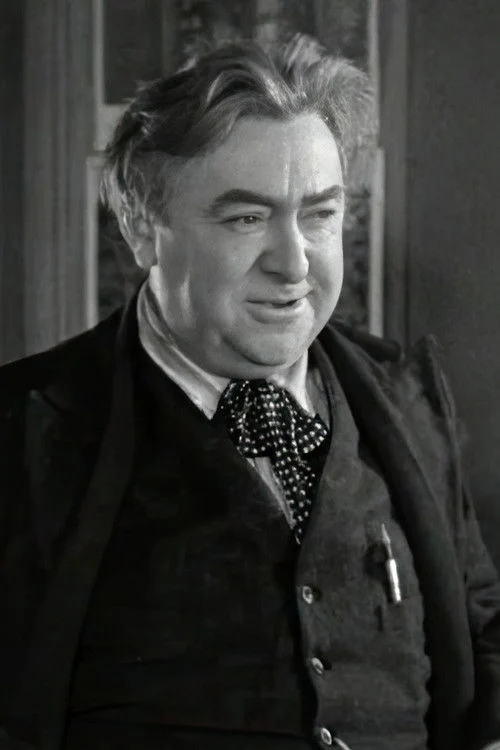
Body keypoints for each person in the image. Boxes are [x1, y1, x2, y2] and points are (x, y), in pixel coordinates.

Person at [0, 34, 499, 750]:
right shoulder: (21, 429)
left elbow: (482, 630)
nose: (293, 263)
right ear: (142, 229)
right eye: (247, 218)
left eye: (320, 214)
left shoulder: (407, 399)